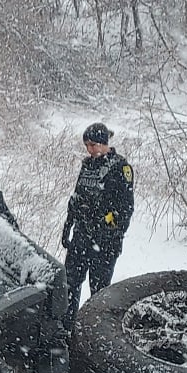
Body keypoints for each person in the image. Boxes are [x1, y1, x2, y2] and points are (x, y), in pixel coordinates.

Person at [62, 121, 134, 320]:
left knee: (100, 293)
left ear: (104, 143)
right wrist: (68, 226)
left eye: (93, 145)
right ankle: (66, 329)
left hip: (104, 243)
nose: (89, 149)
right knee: (69, 284)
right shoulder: (87, 166)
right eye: (87, 145)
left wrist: (109, 228)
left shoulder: (120, 168)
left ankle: (94, 331)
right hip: (81, 236)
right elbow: (76, 197)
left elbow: (126, 207)